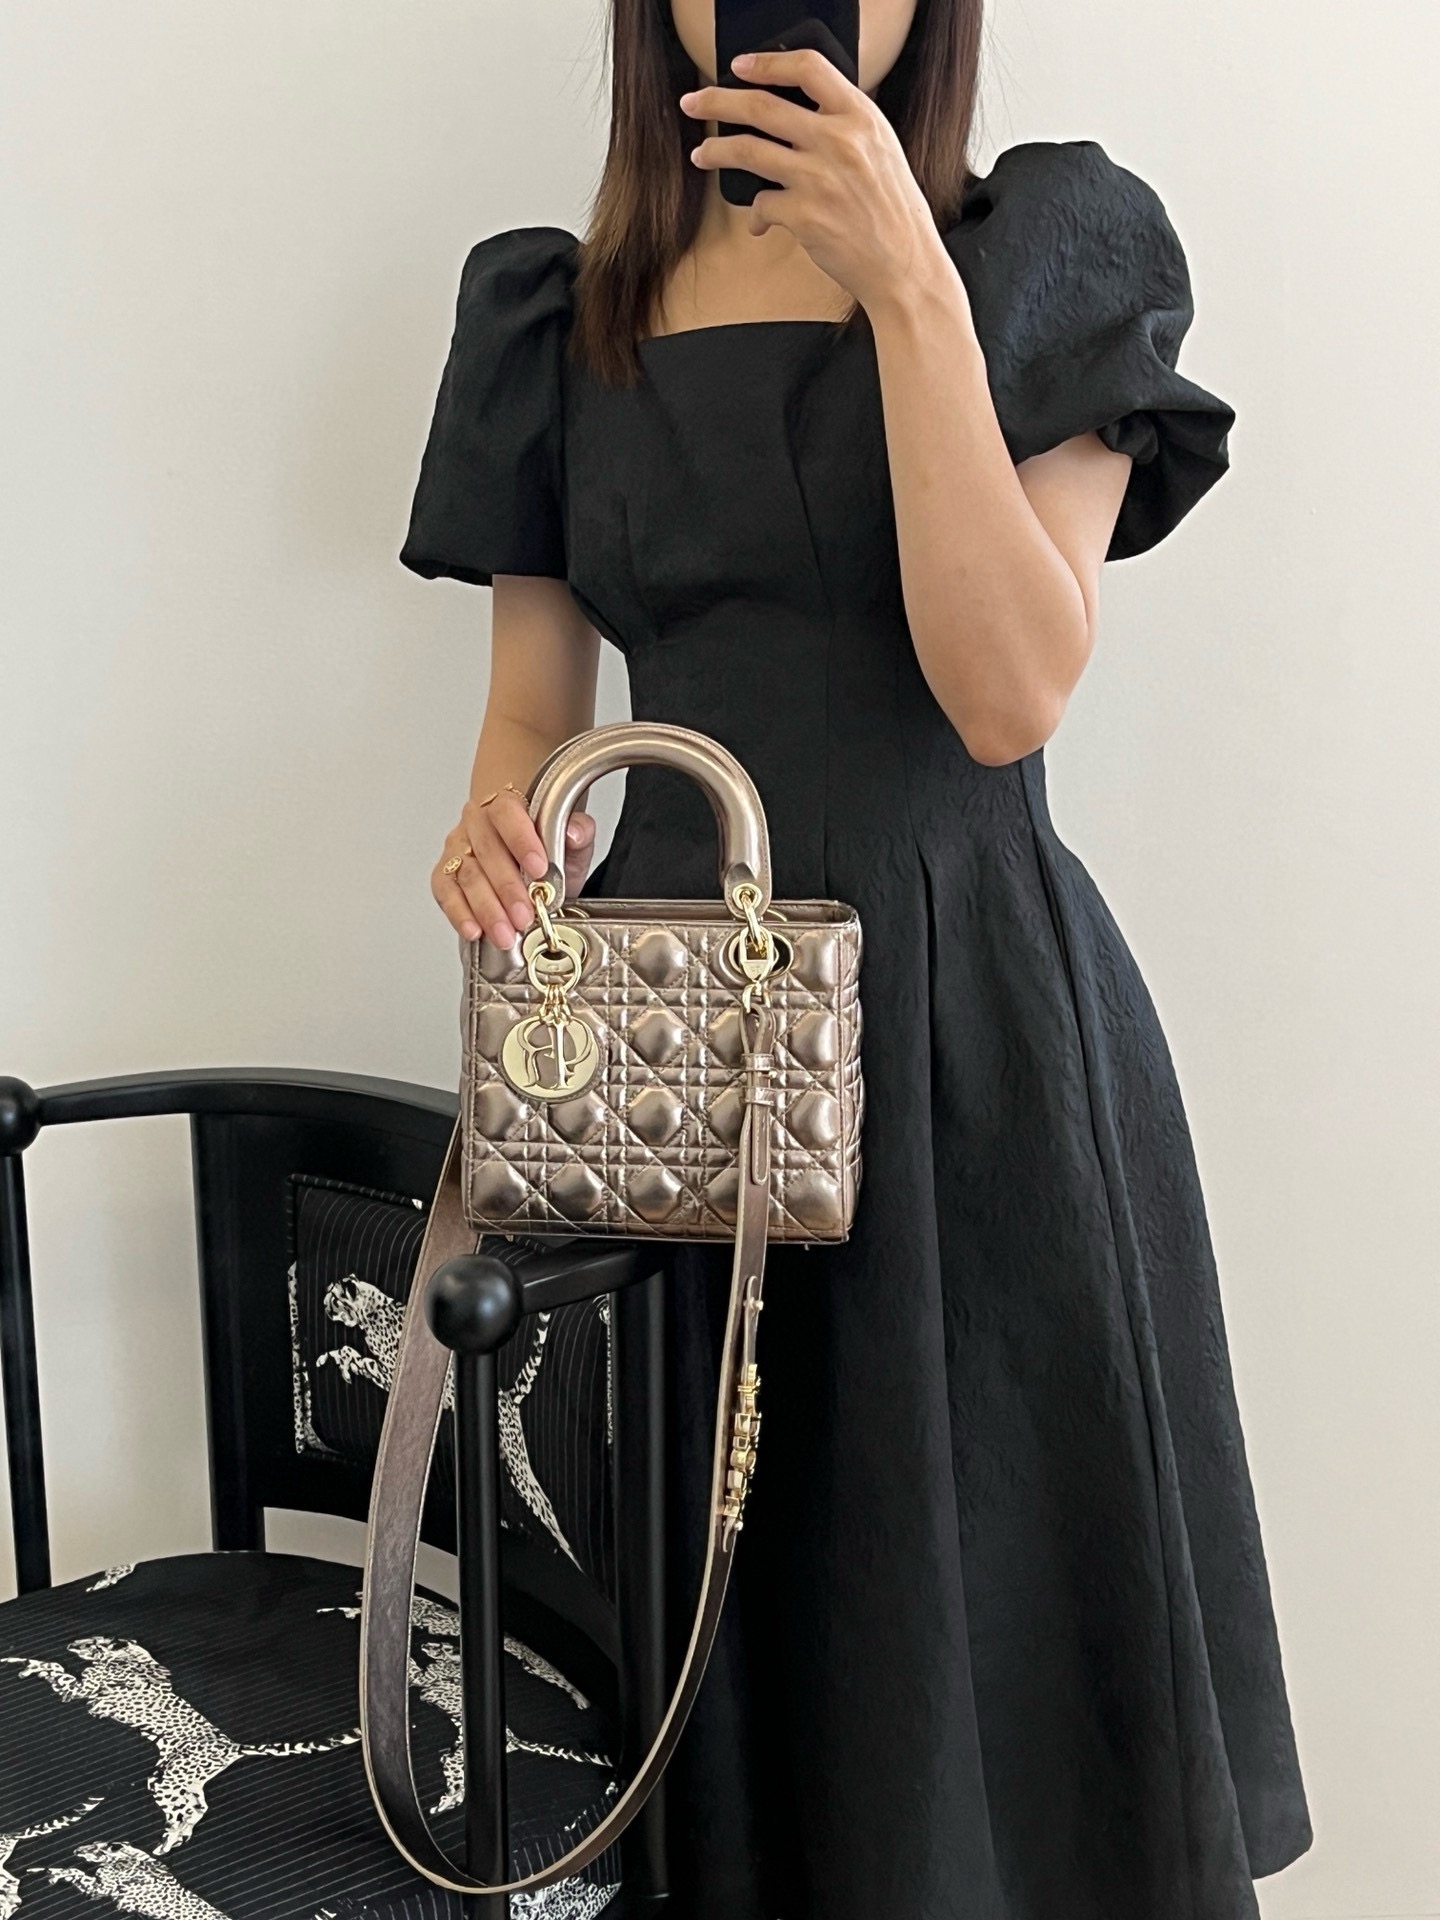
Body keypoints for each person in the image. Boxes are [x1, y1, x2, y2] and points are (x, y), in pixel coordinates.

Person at [397, 0, 1313, 1912]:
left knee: (978, 1631)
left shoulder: (1042, 246)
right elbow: (536, 716)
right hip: (675, 1056)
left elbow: (1008, 693)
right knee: (718, 1621)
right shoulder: (558, 312)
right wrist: (508, 829)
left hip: (965, 1032)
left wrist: (908, 286)